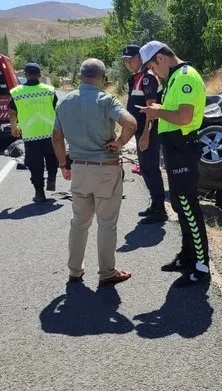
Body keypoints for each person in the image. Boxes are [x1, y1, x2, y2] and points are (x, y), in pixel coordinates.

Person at [52, 58, 136, 286]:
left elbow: (57, 138)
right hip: (105, 170)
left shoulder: (64, 103)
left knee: (79, 222)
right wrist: (119, 143)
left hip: (79, 169)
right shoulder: (106, 100)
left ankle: (75, 271)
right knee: (106, 224)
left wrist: (63, 165)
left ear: (80, 76)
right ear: (102, 77)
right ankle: (107, 273)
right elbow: (131, 123)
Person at [138, 41, 211, 287]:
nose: (152, 72)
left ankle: (201, 266)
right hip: (173, 148)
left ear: (160, 57)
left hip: (183, 149)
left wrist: (158, 112)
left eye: (151, 66)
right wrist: (158, 110)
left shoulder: (185, 76)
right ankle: (187, 256)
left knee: (189, 207)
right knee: (181, 207)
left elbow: (184, 117)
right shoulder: (173, 79)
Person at [122, 44, 167, 224]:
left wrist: (146, 134)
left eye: (131, 59)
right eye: (125, 61)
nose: (128, 63)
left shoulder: (148, 78)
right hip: (141, 131)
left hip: (149, 131)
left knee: (151, 168)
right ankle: (155, 205)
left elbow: (151, 108)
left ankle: (160, 209)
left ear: (140, 58)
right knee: (145, 168)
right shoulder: (137, 77)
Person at [10, 63, 59, 203]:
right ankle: (52, 177)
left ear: (25, 75)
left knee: (35, 165)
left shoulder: (17, 92)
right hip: (50, 132)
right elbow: (58, 109)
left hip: (30, 135)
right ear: (39, 74)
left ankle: (39, 193)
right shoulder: (49, 90)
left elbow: (12, 111)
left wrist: (14, 127)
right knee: (52, 158)